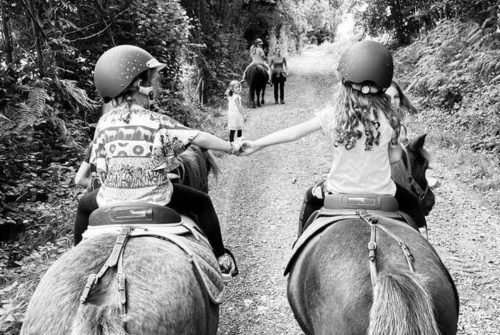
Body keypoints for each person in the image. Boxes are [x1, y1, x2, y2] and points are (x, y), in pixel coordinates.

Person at [73, 45, 239, 276]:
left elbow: (99, 169)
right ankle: (221, 257)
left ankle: (77, 262)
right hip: (155, 200)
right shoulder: (157, 121)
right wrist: (232, 146)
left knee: (83, 206)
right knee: (202, 202)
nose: (152, 87)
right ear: (138, 86)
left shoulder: (103, 123)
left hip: (110, 202)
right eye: (149, 80)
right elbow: (197, 137)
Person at [239, 40, 426, 229]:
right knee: (411, 203)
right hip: (384, 198)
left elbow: (293, 133)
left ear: (345, 81)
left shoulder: (334, 115)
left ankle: (299, 247)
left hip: (338, 195)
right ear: (383, 84)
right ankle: (423, 236)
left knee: (310, 199)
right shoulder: (389, 116)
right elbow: (394, 157)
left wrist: (256, 144)